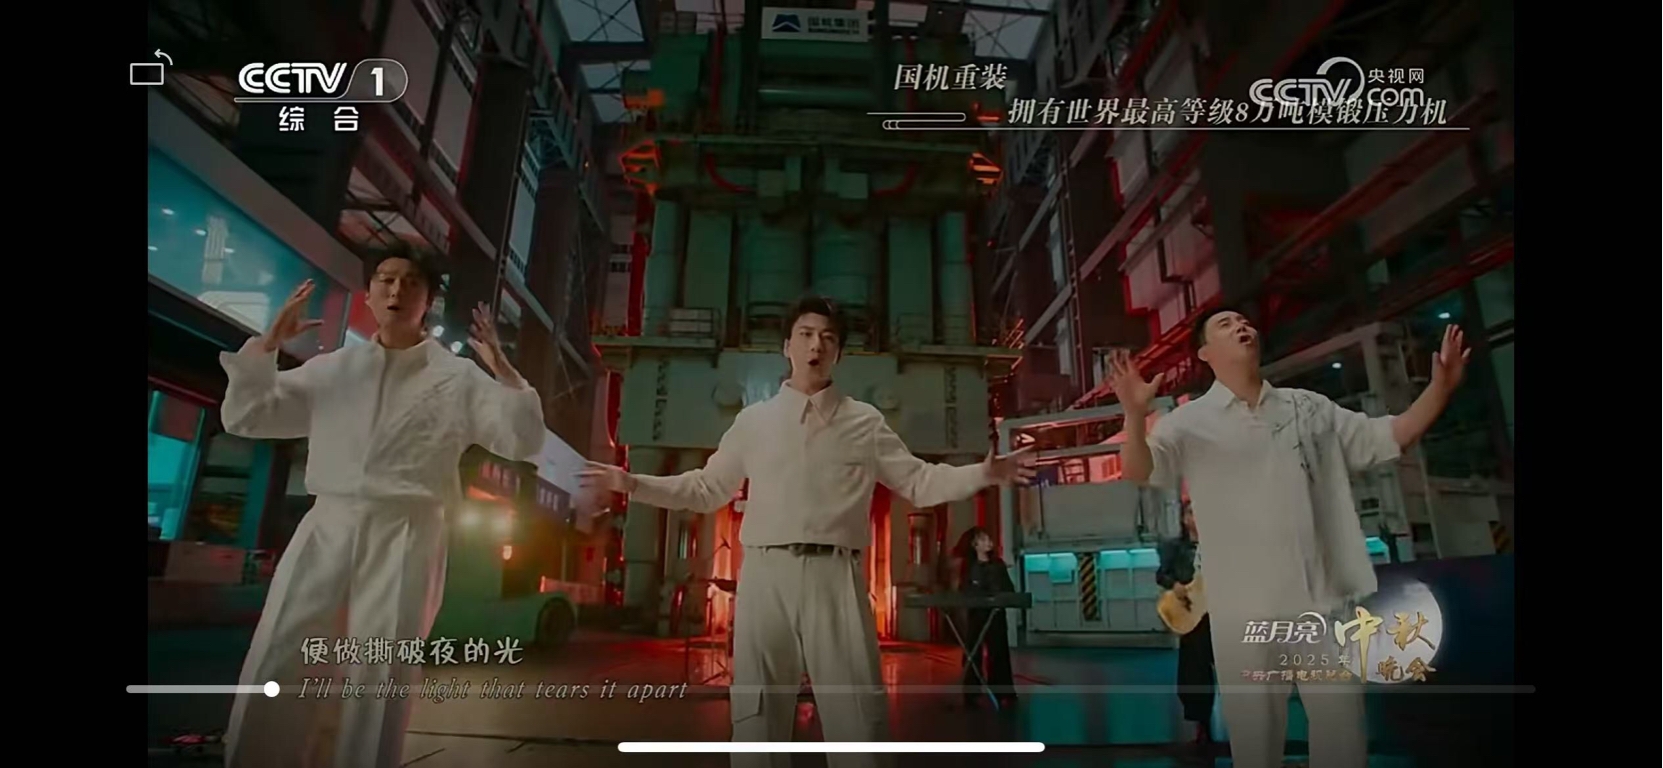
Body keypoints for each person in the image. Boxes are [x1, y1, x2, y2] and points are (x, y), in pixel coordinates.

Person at [580, 296, 1037, 768]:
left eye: (828, 338)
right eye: (805, 335)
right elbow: (705, 488)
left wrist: (984, 473)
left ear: (839, 353)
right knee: (757, 719)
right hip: (765, 576)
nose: (816, 345)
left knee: (858, 720)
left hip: (834, 577)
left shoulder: (863, 422)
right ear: (787, 346)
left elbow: (919, 481)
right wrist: (633, 483)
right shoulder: (754, 423)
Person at [219, 245, 546, 768]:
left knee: (380, 668)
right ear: (368, 295)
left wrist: (505, 374)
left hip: (407, 528)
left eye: (411, 282)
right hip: (329, 522)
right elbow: (249, 417)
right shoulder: (332, 371)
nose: (397, 291)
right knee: (283, 649)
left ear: (428, 301)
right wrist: (267, 347)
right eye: (386, 280)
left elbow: (522, 440)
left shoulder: (457, 378)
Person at [1109, 308, 1469, 768]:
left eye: (1244, 321)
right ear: (1205, 353)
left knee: (1344, 741)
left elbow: (1387, 436)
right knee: (1256, 748)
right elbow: (1139, 469)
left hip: (1323, 606)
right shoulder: (1189, 423)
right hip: (1243, 615)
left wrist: (1440, 389)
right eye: (1225, 324)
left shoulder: (1308, 408)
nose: (1242, 326)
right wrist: (1134, 416)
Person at [1156, 503, 1213, 744]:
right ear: (1184, 518)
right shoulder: (1175, 548)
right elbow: (1162, 574)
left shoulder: (1219, 546)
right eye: (1191, 512)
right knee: (1195, 671)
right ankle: (1202, 724)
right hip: (1192, 614)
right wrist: (1175, 585)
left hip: (1218, 612)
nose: (1195, 517)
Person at [952, 526, 1017, 708]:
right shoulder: (968, 567)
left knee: (999, 652)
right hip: (976, 615)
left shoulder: (998, 564)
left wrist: (1001, 598)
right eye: (984, 539)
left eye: (989, 538)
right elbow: (964, 590)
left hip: (996, 615)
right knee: (972, 652)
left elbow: (1008, 588)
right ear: (975, 545)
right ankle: (972, 692)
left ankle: (1003, 692)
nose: (989, 542)